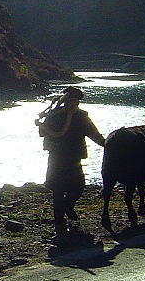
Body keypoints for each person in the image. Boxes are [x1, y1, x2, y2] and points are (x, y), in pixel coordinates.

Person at [36, 86, 105, 238]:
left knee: (65, 189)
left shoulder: (61, 115)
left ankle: (62, 215)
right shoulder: (74, 116)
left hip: (60, 158)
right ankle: (61, 219)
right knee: (68, 188)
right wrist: (107, 144)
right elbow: (95, 135)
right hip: (66, 158)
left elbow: (42, 132)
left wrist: (107, 144)